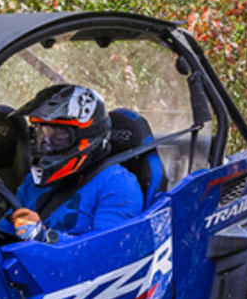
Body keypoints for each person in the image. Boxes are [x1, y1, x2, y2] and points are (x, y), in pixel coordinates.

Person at [10, 83, 160, 239]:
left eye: (58, 136)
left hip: (66, 262)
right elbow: (4, 232)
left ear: (86, 136)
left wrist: (44, 236)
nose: (44, 144)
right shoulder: (33, 181)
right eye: (39, 133)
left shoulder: (119, 185)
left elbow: (106, 251)